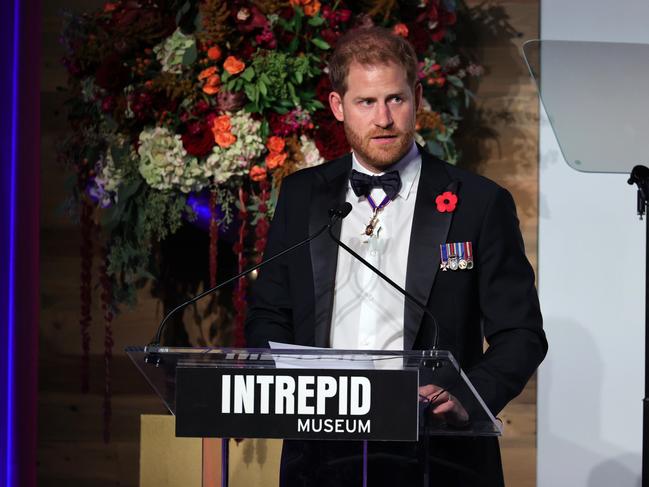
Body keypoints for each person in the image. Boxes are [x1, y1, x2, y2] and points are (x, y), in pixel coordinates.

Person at [245, 26, 547, 487]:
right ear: (337, 106)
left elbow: (521, 333)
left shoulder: (480, 203)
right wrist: (289, 389)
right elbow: (269, 312)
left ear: (417, 98)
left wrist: (468, 394)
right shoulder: (302, 195)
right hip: (321, 453)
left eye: (396, 99)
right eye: (366, 102)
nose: (383, 118)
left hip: (438, 452)